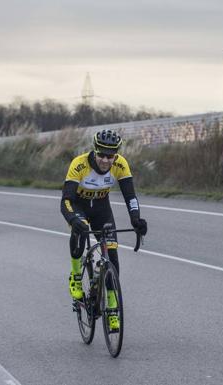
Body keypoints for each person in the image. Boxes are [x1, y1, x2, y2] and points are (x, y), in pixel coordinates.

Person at [60, 129, 147, 331]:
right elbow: (66, 200)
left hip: (101, 209)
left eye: (111, 156)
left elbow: (130, 196)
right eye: (102, 155)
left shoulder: (120, 164)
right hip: (79, 205)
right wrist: (73, 219)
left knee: (113, 261)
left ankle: (113, 311)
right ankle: (75, 277)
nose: (106, 160)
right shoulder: (79, 164)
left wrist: (136, 219)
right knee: (79, 236)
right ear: (94, 150)